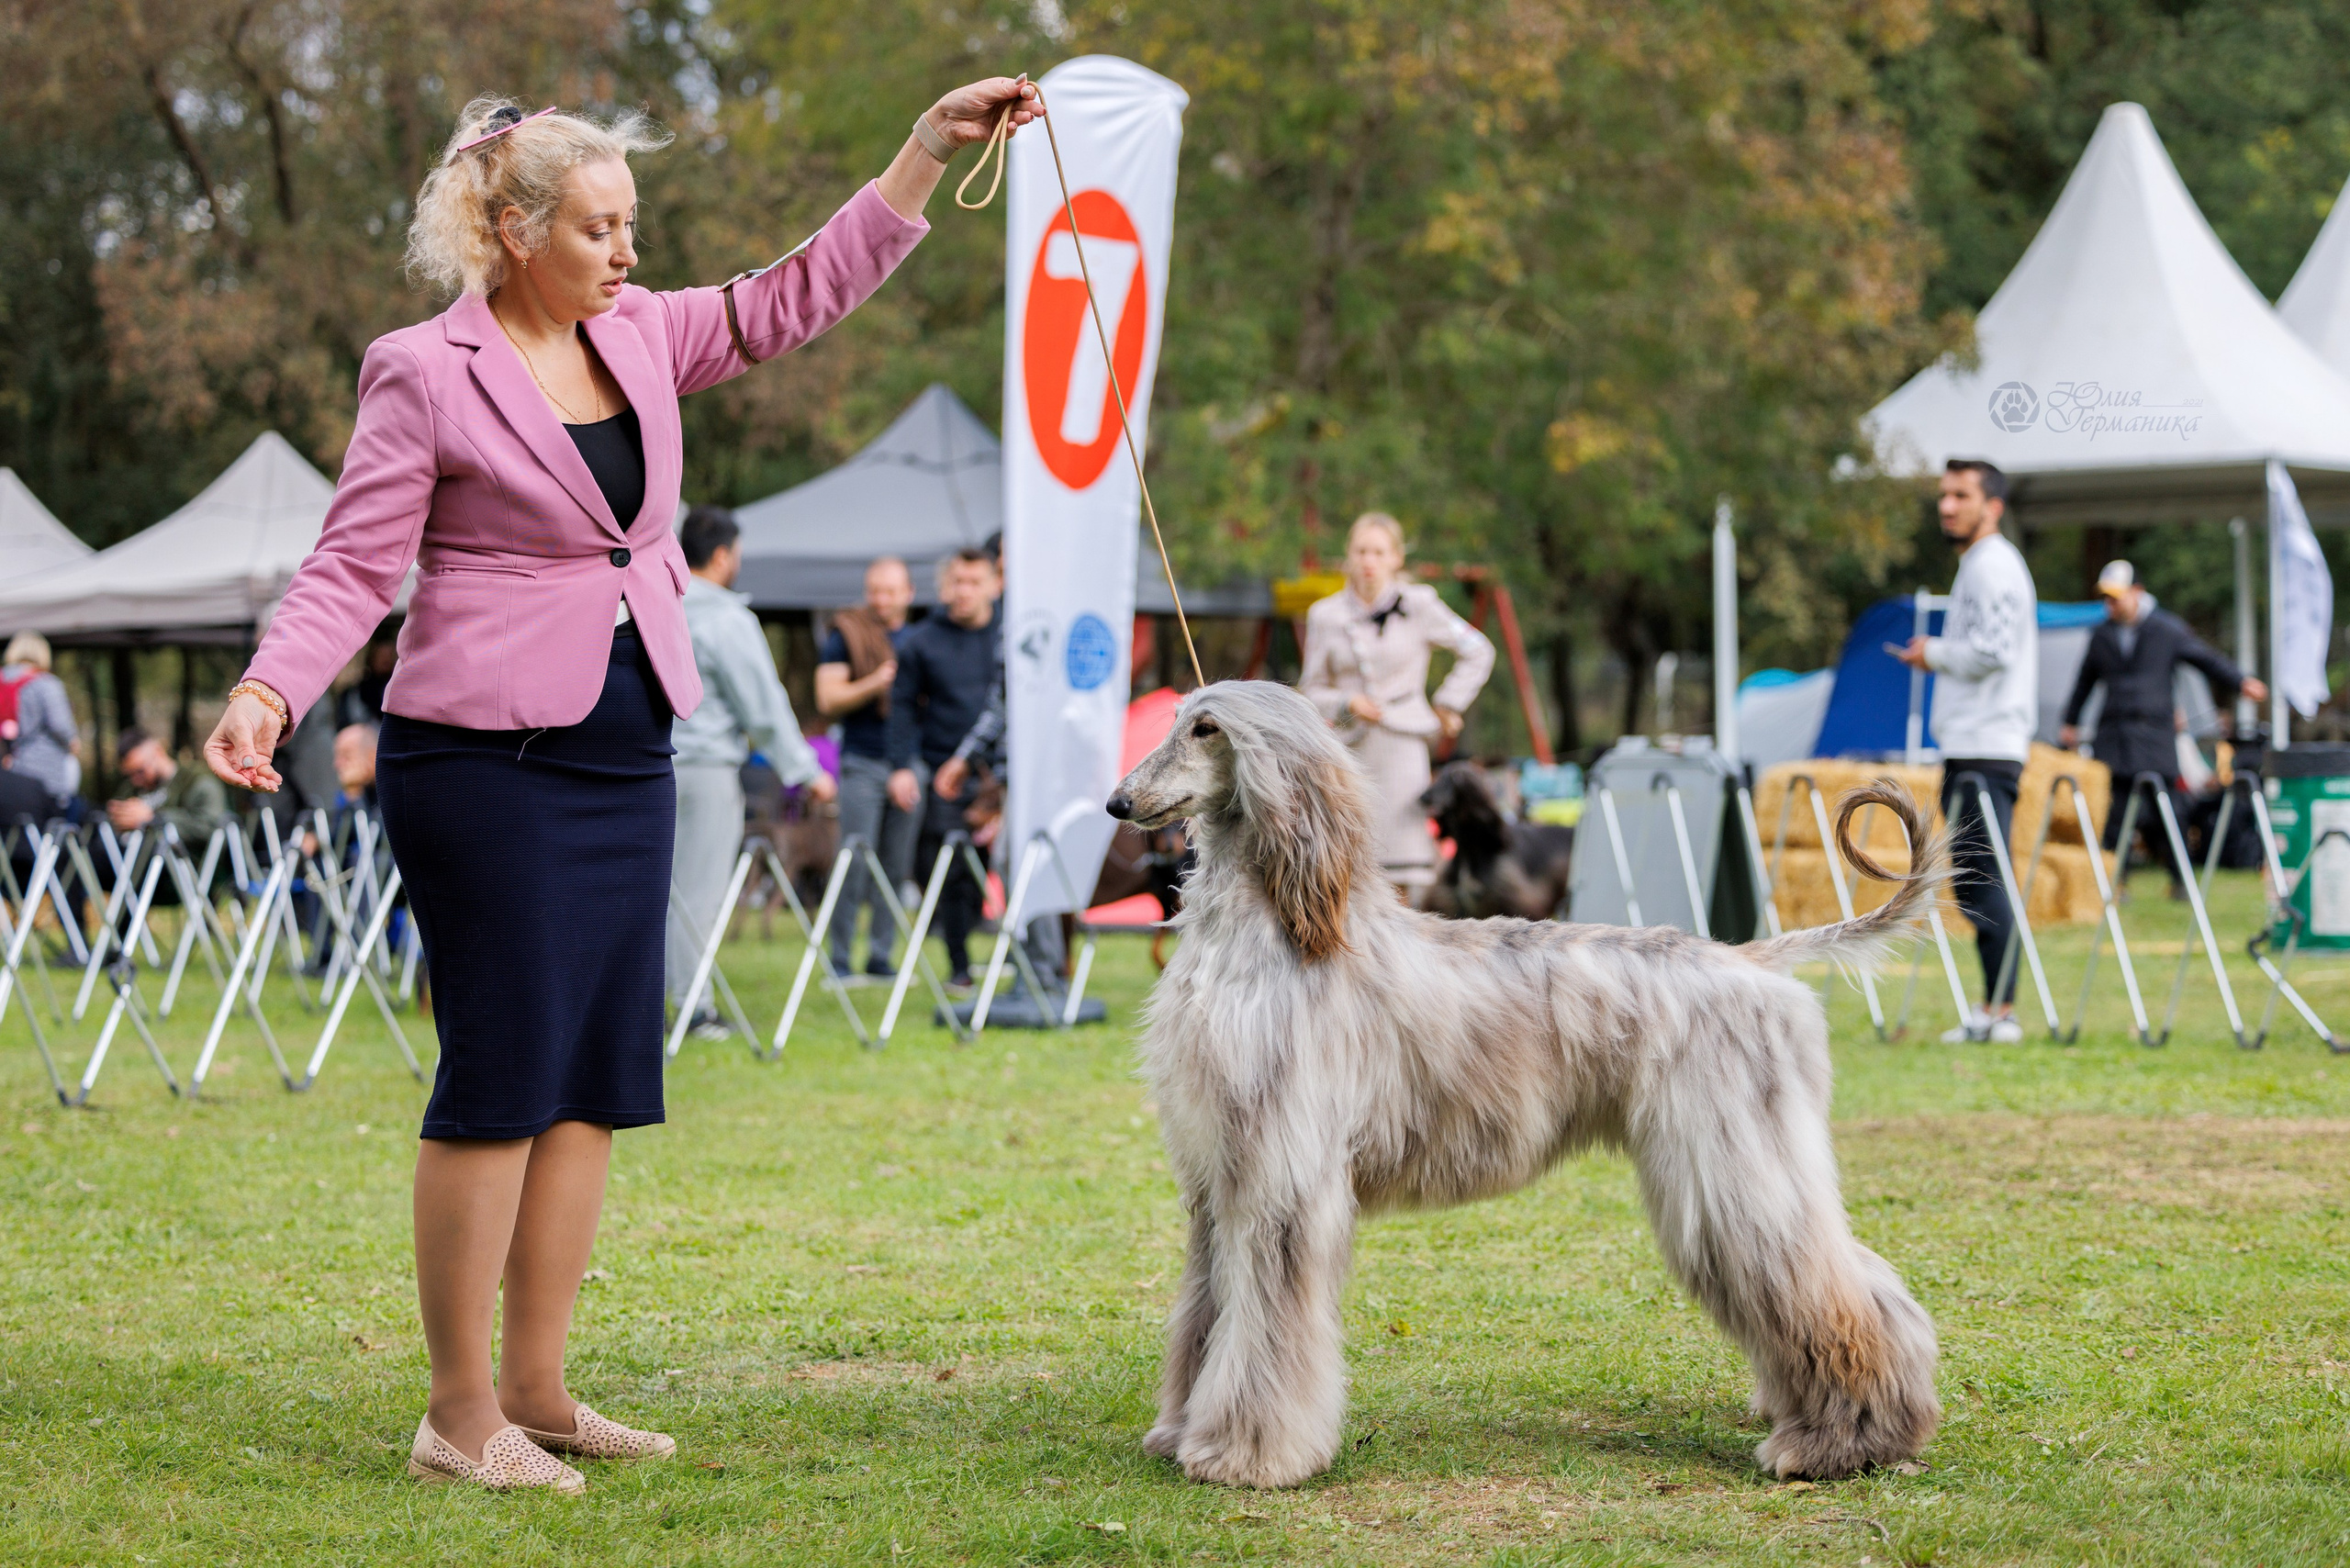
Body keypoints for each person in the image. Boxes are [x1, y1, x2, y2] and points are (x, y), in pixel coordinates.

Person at [199, 80, 1038, 1493]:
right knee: (502, 1073)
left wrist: (919, 155)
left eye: (633, 227)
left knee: (593, 1074)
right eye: (599, 230)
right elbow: (355, 564)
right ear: (515, 230)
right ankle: (457, 1414)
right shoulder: (423, 367)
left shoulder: (642, 333)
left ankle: (539, 1388)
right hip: (479, 760)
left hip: (625, 748)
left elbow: (792, 296)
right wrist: (272, 686)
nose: (628, 254)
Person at [668, 505, 833, 1036]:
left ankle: (627, 1009)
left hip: (641, 766)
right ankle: (694, 1009)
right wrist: (806, 769)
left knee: (643, 893)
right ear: (722, 555)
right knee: (698, 891)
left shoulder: (651, 605)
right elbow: (763, 706)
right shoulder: (725, 618)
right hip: (704, 769)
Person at [1897, 459, 2038, 1043]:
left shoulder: (1993, 566)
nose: (1947, 506)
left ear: (1993, 506)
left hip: (1988, 745)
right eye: (1943, 496)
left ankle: (2001, 1013)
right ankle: (1992, 1008)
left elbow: (1995, 651)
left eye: (1961, 495)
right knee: (1974, 876)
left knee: (1984, 877)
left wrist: (1935, 653)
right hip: (1973, 743)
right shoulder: (1978, 566)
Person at [1300, 512, 1494, 892]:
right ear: (1348, 556)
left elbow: (1477, 649)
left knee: (1406, 867)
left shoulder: (1421, 603)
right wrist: (1346, 701)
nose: (1369, 561)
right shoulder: (1324, 615)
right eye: (1361, 551)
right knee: (1348, 864)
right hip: (1348, 752)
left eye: (1378, 552)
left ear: (1396, 558)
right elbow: (1309, 690)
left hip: (1403, 746)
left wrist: (1449, 703)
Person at [2060, 559, 2265, 895]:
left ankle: (2180, 879)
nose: (2110, 605)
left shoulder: (2166, 630)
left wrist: (2241, 681)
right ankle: (2114, 880)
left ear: (2137, 593)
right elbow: (2084, 682)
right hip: (2113, 736)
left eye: (2117, 597)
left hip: (2155, 735)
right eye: (2107, 598)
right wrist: (2070, 722)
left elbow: (2205, 658)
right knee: (2113, 811)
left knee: (2169, 810)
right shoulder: (2101, 635)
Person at [887, 547, 1002, 991]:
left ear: (995, 584)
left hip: (1002, 774)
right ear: (943, 586)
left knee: (994, 867)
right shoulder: (921, 641)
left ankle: (1019, 956)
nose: (965, 591)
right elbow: (900, 709)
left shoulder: (1011, 635)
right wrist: (901, 767)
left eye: (975, 581)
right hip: (945, 773)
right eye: (957, 581)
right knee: (952, 868)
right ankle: (959, 964)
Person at [814, 556, 917, 979]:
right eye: (875, 590)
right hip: (861, 762)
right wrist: (875, 683)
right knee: (853, 862)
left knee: (895, 866)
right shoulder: (847, 635)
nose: (881, 599)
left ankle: (880, 957)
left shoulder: (917, 640)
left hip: (907, 767)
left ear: (908, 594)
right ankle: (839, 958)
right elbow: (827, 699)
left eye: (891, 591)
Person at [1, 632, 82, 818]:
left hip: (10, 771)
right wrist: (72, 742)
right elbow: (60, 725)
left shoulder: (2, 682)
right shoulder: (46, 683)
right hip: (45, 773)